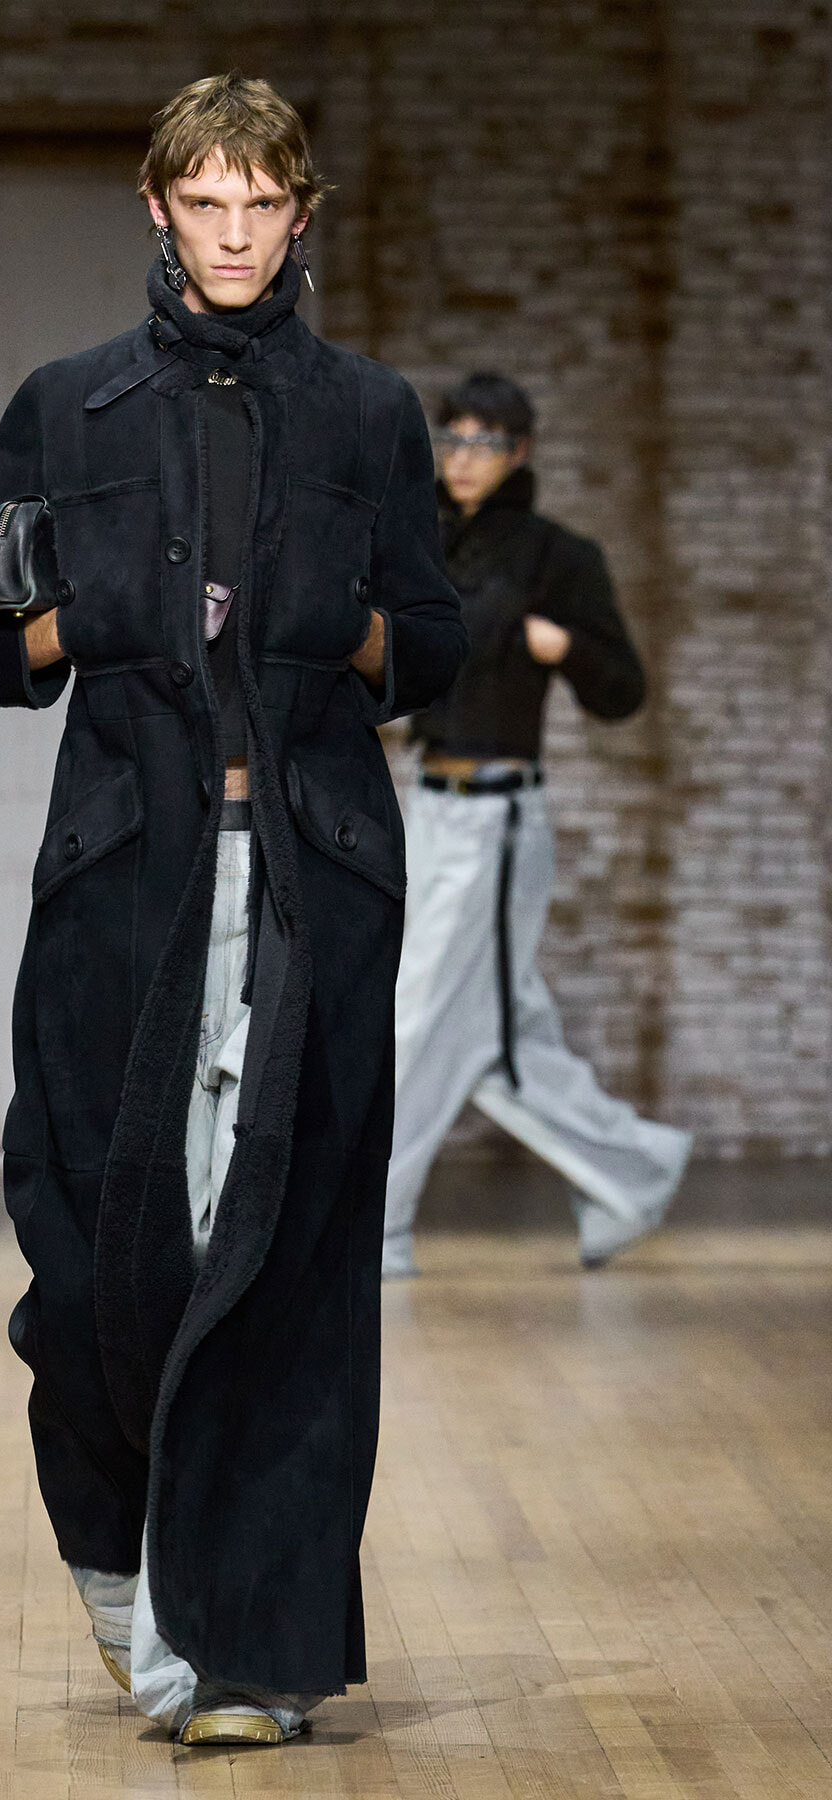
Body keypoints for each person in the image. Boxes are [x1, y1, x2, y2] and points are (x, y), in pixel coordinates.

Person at [0, 74, 466, 1745]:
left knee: (285, 1266)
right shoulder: (70, 408)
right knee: (89, 1261)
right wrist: (77, 628)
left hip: (312, 878)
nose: (233, 234)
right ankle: (120, 1566)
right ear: (157, 208)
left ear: (302, 213)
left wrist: (346, 631)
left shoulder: (368, 414)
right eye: (204, 204)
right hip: (120, 883)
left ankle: (247, 1660)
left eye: (261, 205)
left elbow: (434, 641)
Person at [382, 371, 692, 1281]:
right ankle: (635, 1170)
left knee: (418, 1018)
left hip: (498, 818)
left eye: (483, 442)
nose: (463, 459)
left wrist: (567, 646)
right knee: (498, 1036)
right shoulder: (421, 543)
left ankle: (373, 1225)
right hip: (427, 806)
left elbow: (624, 689)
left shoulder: (558, 556)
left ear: (517, 453)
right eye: (452, 438)